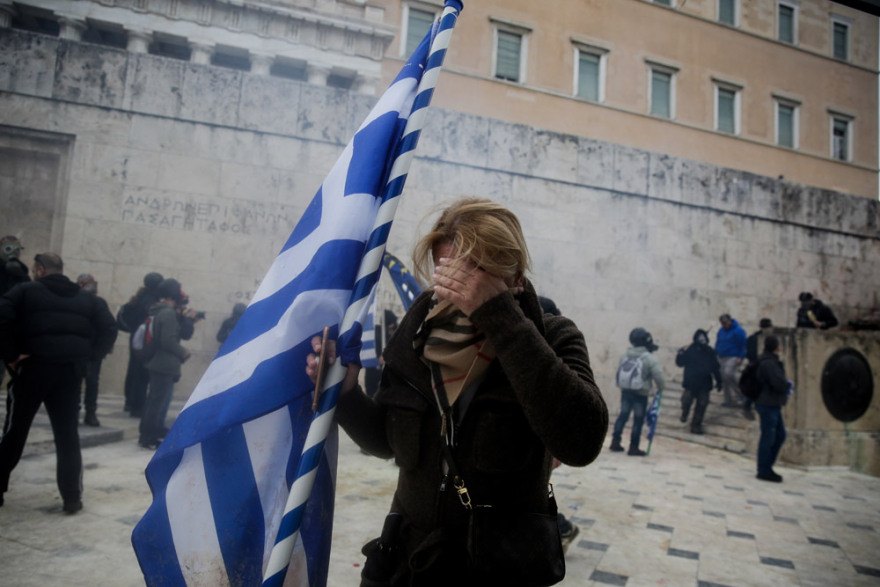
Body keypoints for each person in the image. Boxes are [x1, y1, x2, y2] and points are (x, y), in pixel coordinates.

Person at [307, 198, 608, 585]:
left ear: (515, 276)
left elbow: (582, 442)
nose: (457, 292)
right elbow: (386, 442)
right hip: (408, 561)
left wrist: (499, 317)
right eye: (447, 273)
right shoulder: (417, 336)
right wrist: (347, 396)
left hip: (499, 566)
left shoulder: (552, 338)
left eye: (474, 274)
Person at [0, 253, 117, 512]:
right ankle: (72, 497)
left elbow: (2, 317)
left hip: (32, 369)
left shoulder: (25, 291)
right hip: (69, 373)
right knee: (67, 437)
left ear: (40, 270)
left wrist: (11, 356)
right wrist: (89, 357)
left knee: (15, 431)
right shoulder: (87, 300)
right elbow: (110, 328)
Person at [538, 295, 580, 553]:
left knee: (533, 491)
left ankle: (562, 528)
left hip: (543, 439)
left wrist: (554, 448)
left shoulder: (557, 353)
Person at [138, 278, 198, 449]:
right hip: (164, 364)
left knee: (153, 401)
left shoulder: (159, 311)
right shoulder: (168, 313)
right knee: (156, 403)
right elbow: (168, 341)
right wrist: (183, 352)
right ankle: (147, 436)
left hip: (158, 363)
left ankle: (149, 431)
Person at [609, 328, 665, 456]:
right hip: (641, 394)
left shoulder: (625, 355)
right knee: (638, 420)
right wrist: (661, 387)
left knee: (623, 416)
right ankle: (633, 446)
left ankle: (615, 441)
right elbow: (659, 377)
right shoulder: (649, 358)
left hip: (626, 391)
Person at [118, 272, 164, 417]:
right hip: (145, 340)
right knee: (141, 373)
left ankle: (130, 401)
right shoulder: (150, 302)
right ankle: (137, 405)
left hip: (136, 338)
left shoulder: (139, 298)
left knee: (133, 370)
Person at [76, 274, 111, 427]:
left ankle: (90, 412)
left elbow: (108, 328)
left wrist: (100, 350)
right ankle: (74, 411)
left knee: (92, 382)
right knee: (76, 383)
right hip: (77, 351)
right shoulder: (75, 301)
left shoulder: (99, 303)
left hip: (93, 352)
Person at [754, 335, 789, 483]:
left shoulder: (765, 360)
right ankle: (764, 469)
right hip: (768, 403)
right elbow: (778, 383)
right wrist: (787, 386)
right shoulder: (769, 363)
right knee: (769, 437)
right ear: (776, 347)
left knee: (779, 434)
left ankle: (766, 467)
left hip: (770, 403)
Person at [675, 329, 721, 435]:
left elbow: (715, 367)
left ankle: (696, 425)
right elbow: (679, 363)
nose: (702, 339)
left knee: (701, 405)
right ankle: (684, 413)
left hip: (704, 384)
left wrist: (719, 381)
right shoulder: (688, 350)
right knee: (686, 401)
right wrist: (680, 354)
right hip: (690, 383)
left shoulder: (710, 351)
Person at [743, 318, 773, 421]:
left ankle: (748, 407)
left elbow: (748, 353)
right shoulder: (758, 338)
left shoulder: (754, 337)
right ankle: (747, 407)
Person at [363, 309, 398, 398]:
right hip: (374, 375)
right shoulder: (377, 334)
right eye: (390, 328)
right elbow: (378, 358)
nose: (392, 330)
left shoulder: (392, 334)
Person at [714, 313, 747, 408]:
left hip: (733, 356)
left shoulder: (739, 331)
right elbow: (718, 342)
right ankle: (728, 400)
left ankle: (741, 394)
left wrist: (741, 357)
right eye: (722, 323)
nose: (724, 325)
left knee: (729, 373)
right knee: (723, 378)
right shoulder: (721, 330)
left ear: (730, 321)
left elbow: (743, 345)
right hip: (721, 356)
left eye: (725, 323)